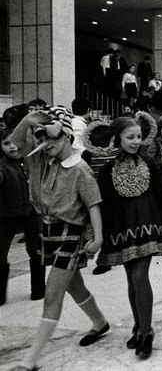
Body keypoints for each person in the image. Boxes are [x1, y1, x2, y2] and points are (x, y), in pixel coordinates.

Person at [10, 106, 109, 371]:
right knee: (74, 286)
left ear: (67, 137)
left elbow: (94, 205)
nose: (47, 143)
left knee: (53, 293)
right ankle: (100, 323)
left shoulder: (80, 168)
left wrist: (97, 238)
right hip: (49, 229)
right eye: (43, 138)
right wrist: (29, 120)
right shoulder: (41, 159)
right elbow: (16, 145)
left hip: (72, 234)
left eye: (53, 138)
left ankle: (30, 360)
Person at [95, 117, 162, 359]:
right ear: (118, 139)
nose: (135, 142)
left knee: (140, 276)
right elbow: (104, 204)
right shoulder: (107, 169)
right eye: (130, 137)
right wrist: (98, 234)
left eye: (138, 137)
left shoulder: (149, 163)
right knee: (132, 279)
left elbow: (161, 194)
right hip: (122, 228)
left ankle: (146, 331)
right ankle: (137, 324)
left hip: (148, 224)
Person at [0, 125, 45, 305]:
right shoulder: (2, 167)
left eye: (15, 142)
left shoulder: (30, 160)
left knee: (35, 249)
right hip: (5, 214)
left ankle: (38, 289)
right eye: (6, 143)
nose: (12, 146)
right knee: (0, 252)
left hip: (32, 212)